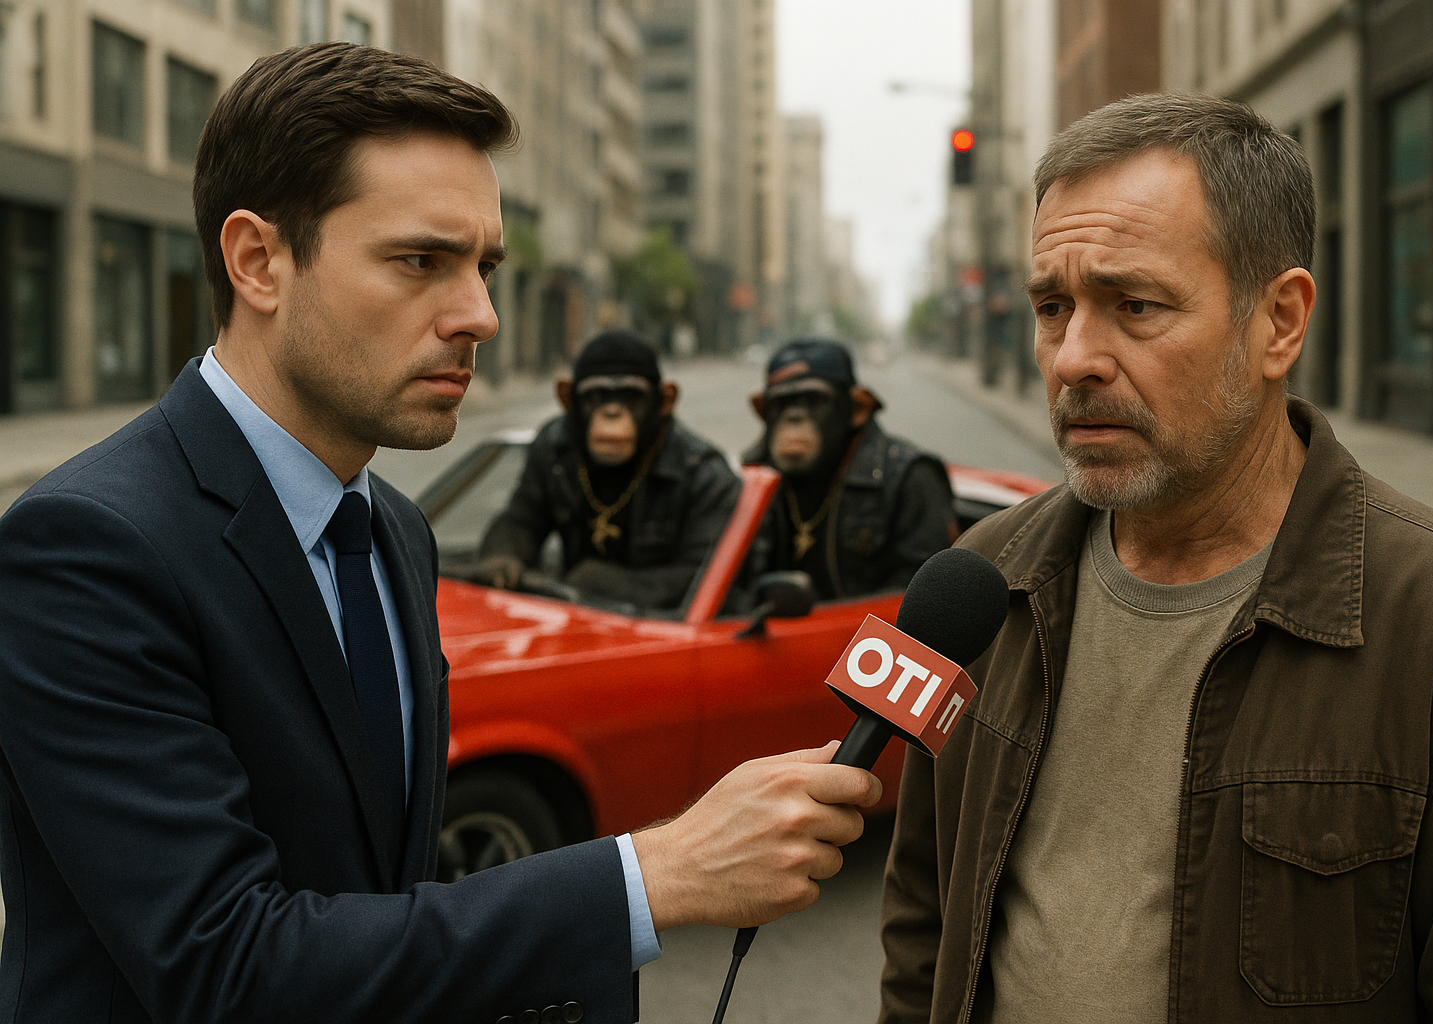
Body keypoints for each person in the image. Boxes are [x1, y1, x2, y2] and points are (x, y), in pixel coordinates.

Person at [0, 43, 880, 1024]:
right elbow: (228, 966)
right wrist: (653, 873)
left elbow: (382, 901)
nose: (481, 315)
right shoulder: (86, 548)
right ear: (258, 261)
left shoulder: (395, 533)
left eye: (485, 266)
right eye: (420, 261)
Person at [878, 93, 1433, 1023]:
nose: (1072, 359)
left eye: (1134, 305)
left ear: (1279, 322)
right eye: (1052, 307)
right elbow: (923, 919)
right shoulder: (982, 586)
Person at [468, 330, 739, 610]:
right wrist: (502, 558)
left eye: (630, 399)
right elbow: (522, 519)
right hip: (576, 619)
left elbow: (708, 581)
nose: (612, 412)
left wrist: (597, 584)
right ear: (568, 400)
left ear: (664, 402)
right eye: (596, 399)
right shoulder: (557, 447)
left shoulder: (702, 473)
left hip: (660, 632)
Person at [744, 339, 955, 600]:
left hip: (867, 639)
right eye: (782, 404)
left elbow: (924, 602)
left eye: (813, 400)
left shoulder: (910, 476)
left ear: (856, 409)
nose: (793, 416)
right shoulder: (753, 478)